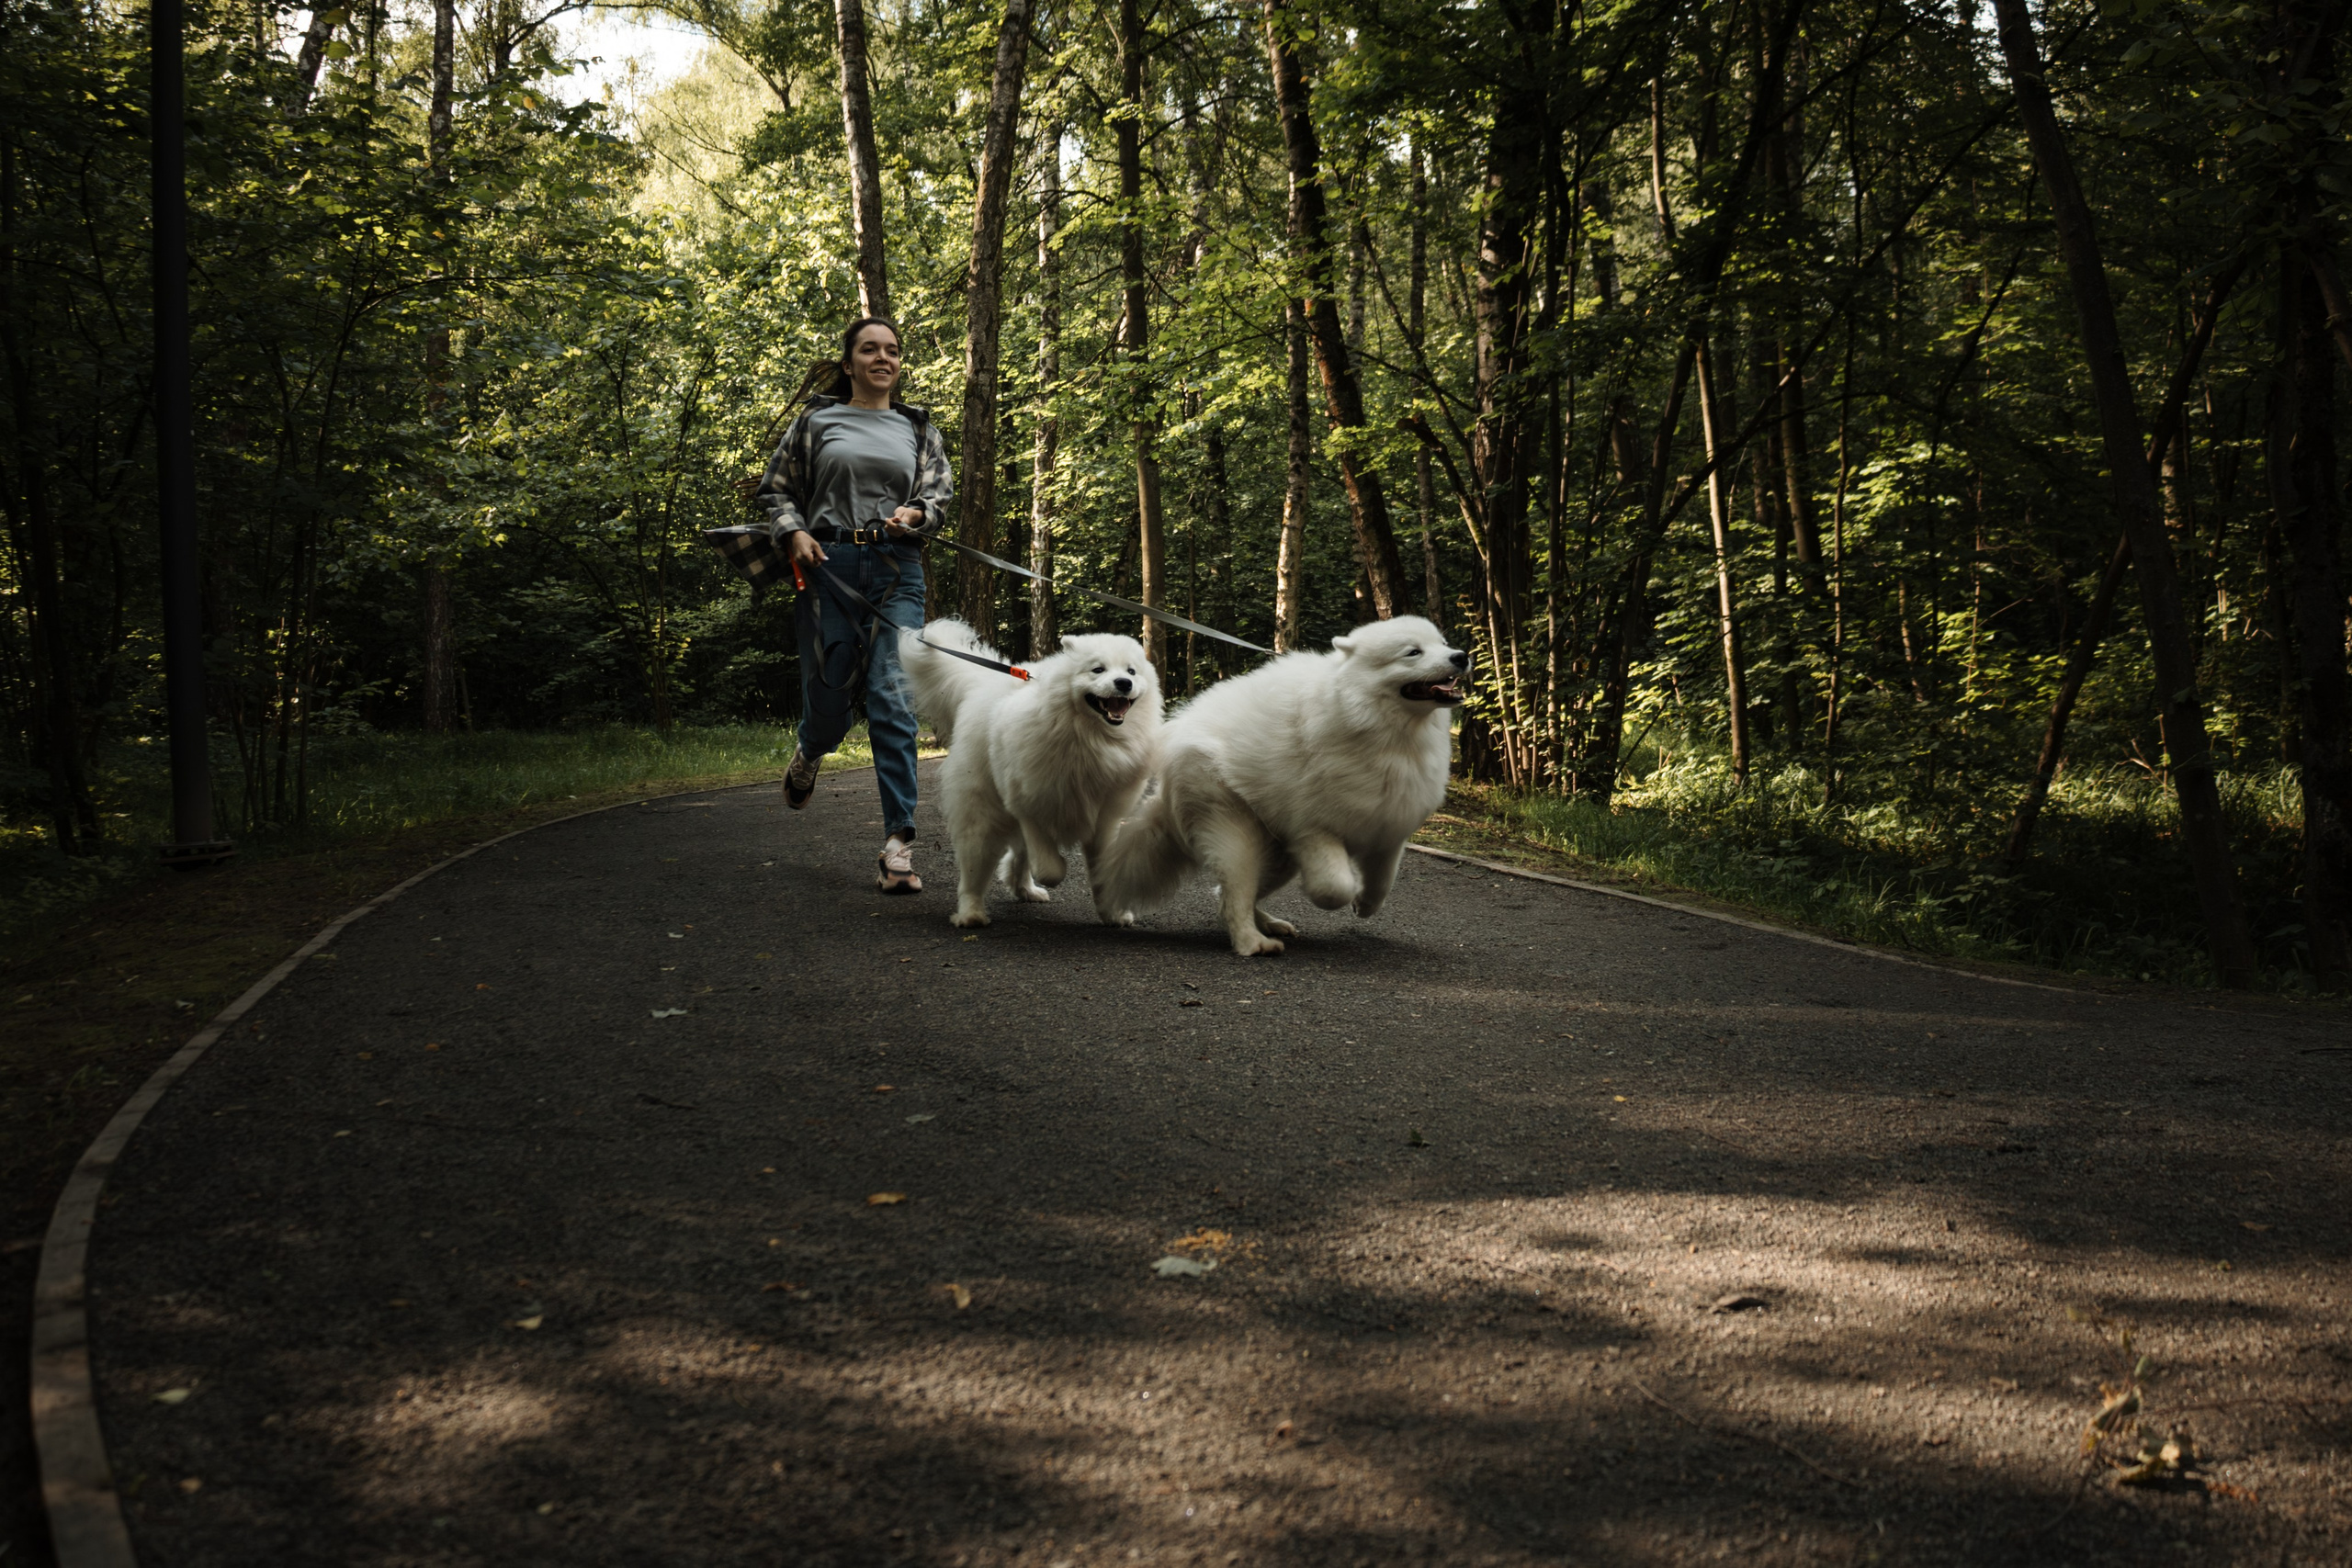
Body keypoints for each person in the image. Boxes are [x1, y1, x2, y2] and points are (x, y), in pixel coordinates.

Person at [753, 317, 954, 894]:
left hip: (898, 570)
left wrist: (915, 514)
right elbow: (777, 490)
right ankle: (811, 748)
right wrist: (793, 532)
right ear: (850, 364)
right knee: (830, 697)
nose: (883, 358)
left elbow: (937, 495)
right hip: (826, 568)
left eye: (892, 350)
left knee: (893, 693)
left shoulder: (918, 429)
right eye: (870, 349)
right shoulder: (817, 421)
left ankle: (899, 842)